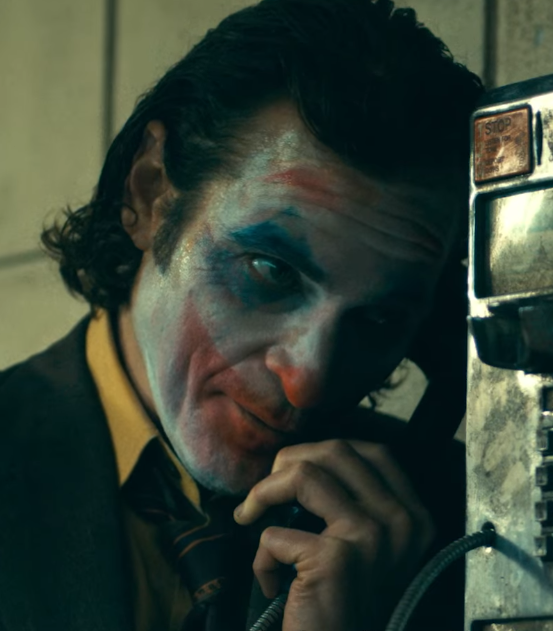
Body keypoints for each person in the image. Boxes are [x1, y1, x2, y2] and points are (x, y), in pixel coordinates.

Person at [0, 1, 483, 630]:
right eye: (270, 272)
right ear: (151, 192)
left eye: (379, 319)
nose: (307, 382)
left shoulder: (466, 532)